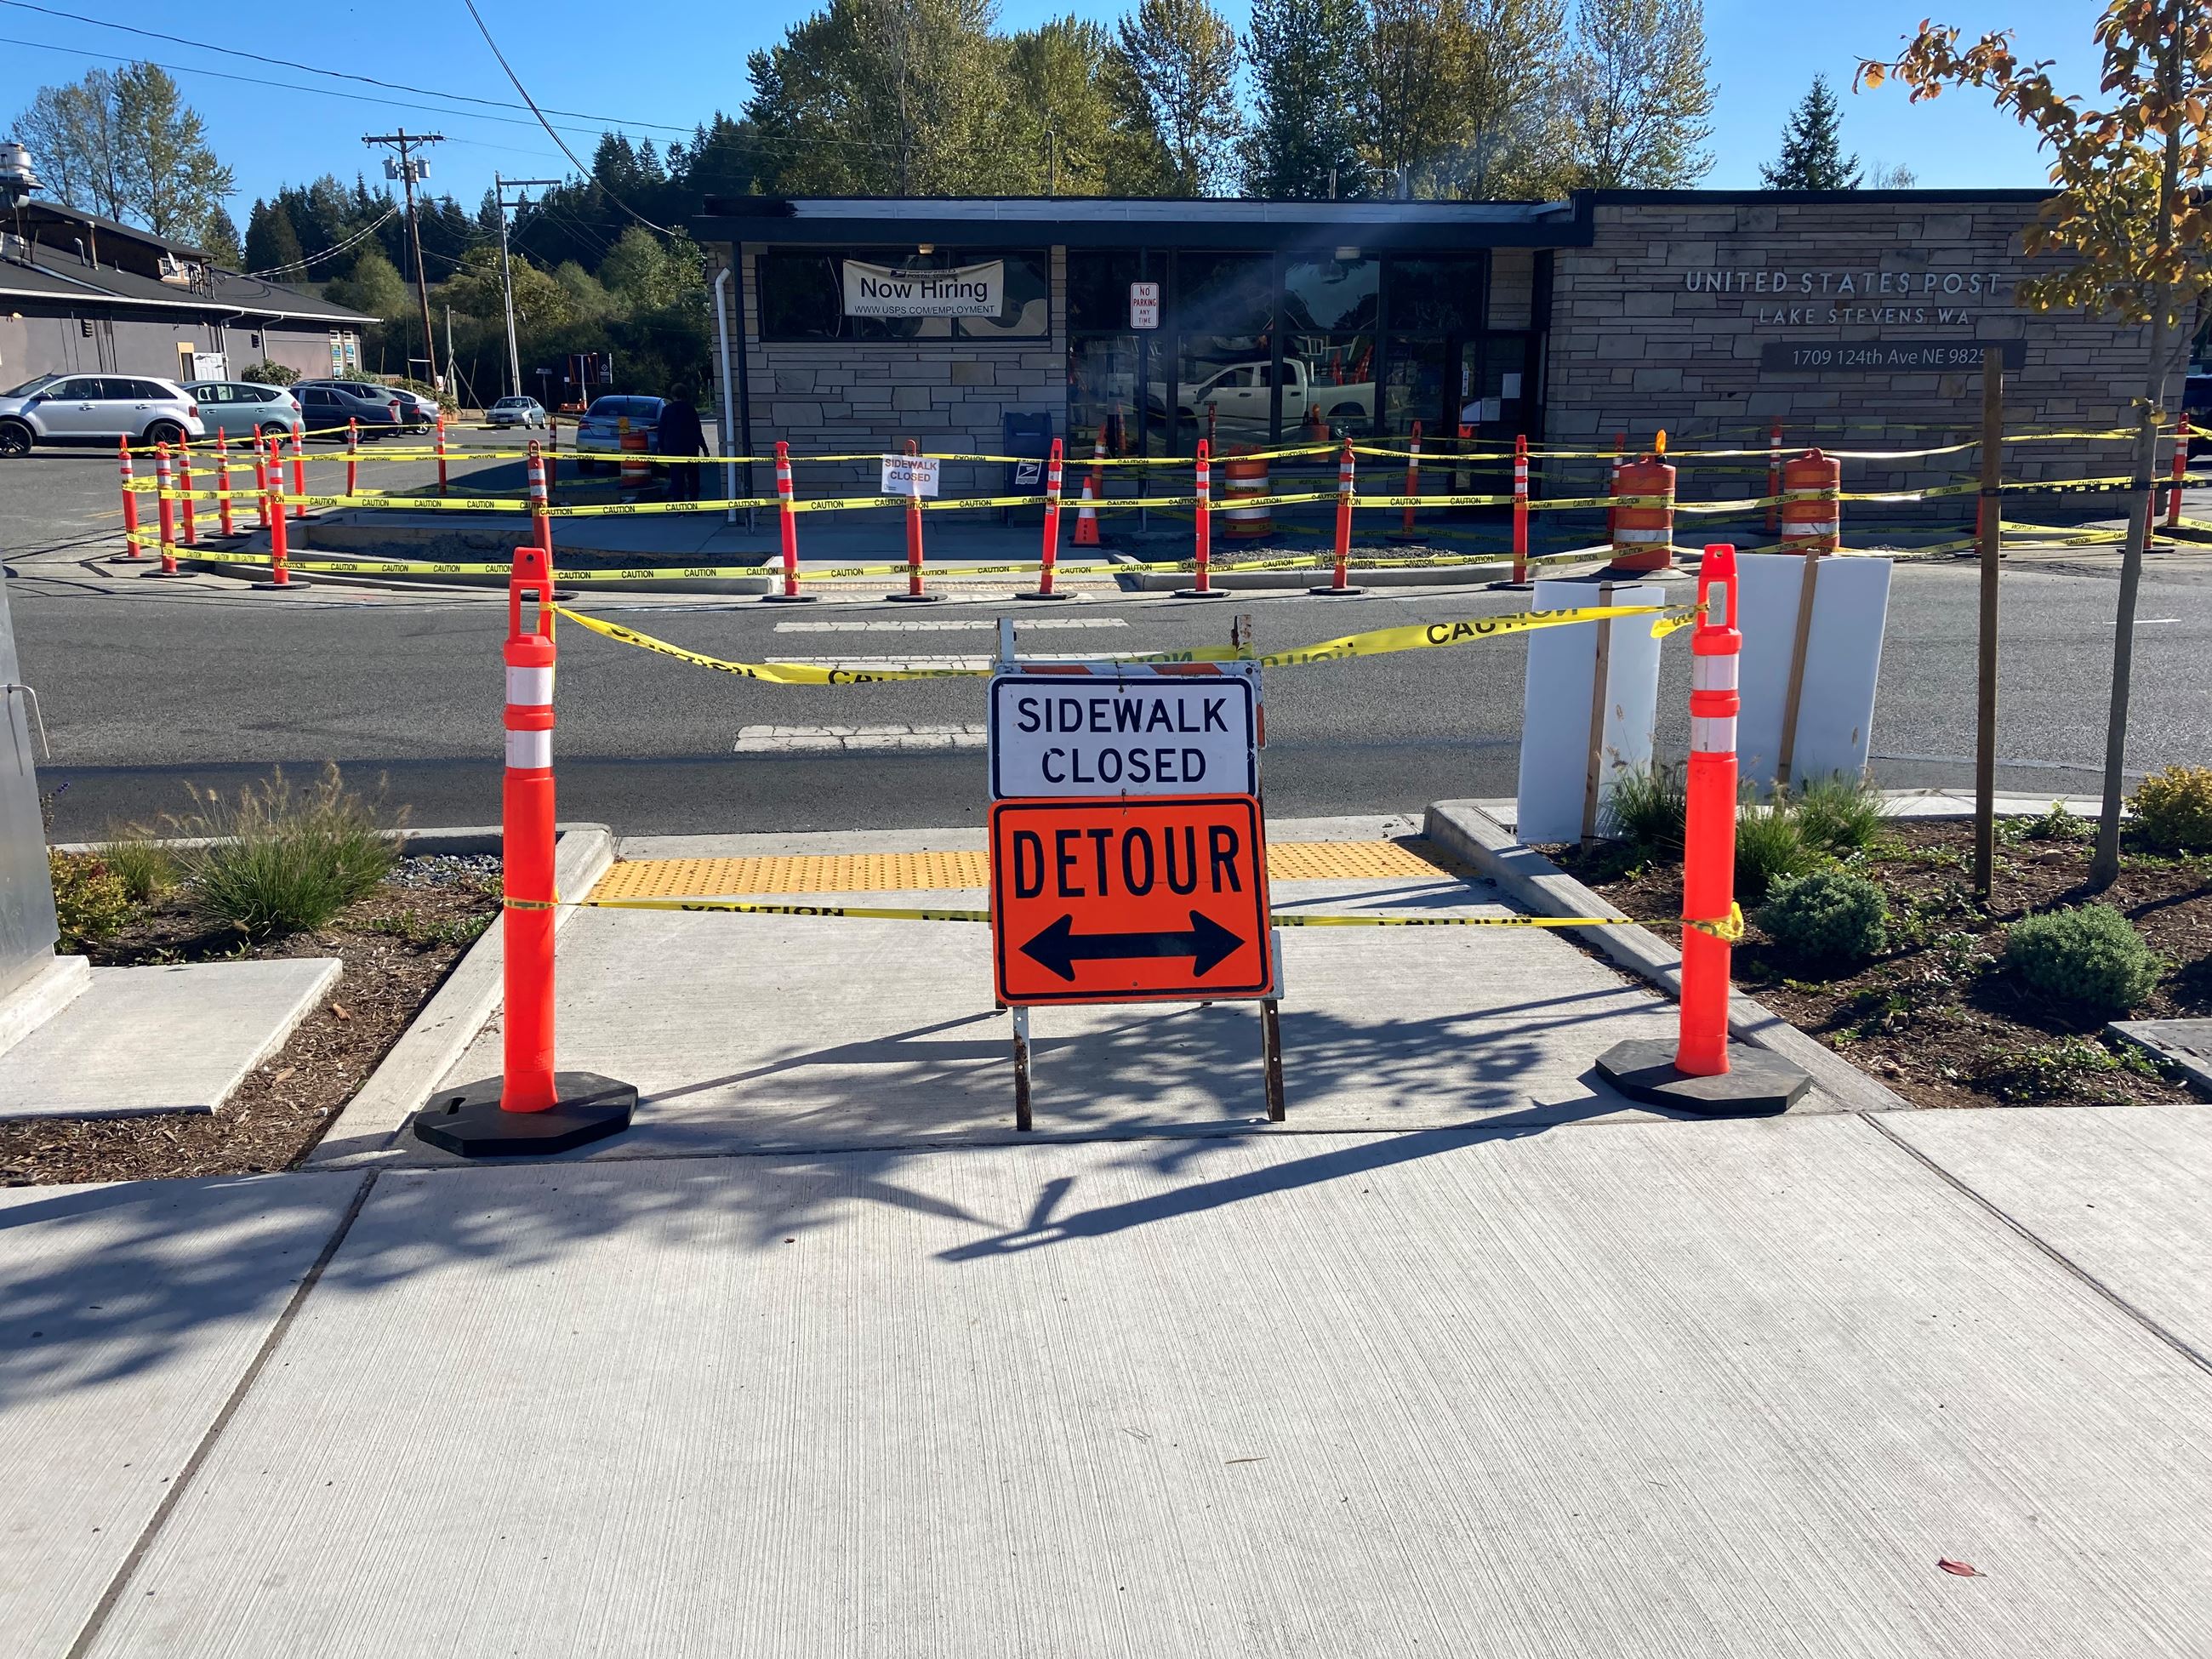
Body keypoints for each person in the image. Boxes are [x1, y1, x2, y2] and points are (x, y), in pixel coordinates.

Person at [657, 396, 707, 499]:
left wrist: (660, 446)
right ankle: (693, 505)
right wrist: (704, 448)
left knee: (676, 479)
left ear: (673, 395)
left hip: (673, 449)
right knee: (693, 478)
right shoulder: (690, 409)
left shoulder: (667, 410)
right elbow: (697, 430)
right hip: (690, 448)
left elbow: (661, 430)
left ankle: (680, 509)